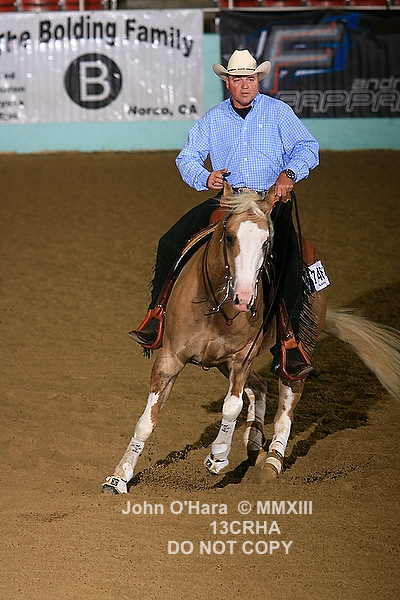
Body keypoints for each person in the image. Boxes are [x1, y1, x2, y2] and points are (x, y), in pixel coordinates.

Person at [129, 49, 319, 380]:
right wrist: (205, 177)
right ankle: (157, 315)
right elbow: (187, 158)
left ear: (257, 81)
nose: (245, 85)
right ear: (227, 83)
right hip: (229, 201)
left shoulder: (278, 113)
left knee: (289, 259)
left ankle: (288, 342)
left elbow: (307, 147)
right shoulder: (213, 119)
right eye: (238, 80)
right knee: (170, 242)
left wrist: (289, 173)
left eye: (251, 79)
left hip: (269, 201)